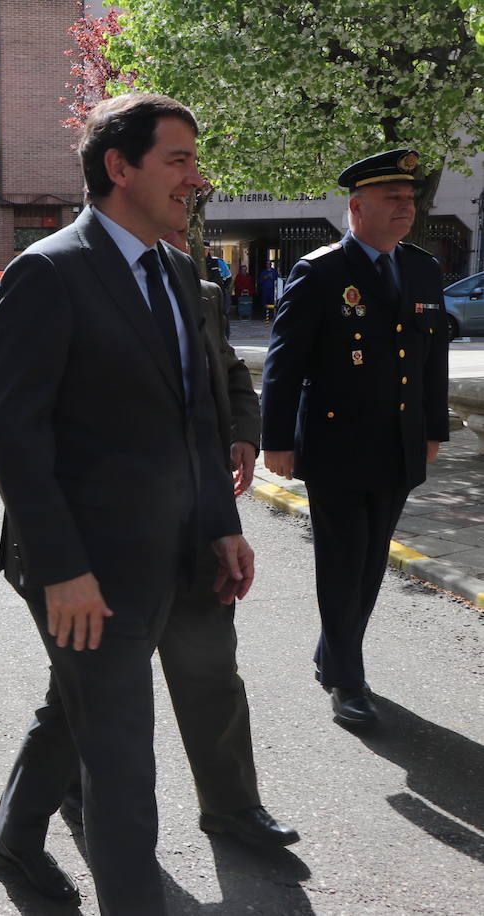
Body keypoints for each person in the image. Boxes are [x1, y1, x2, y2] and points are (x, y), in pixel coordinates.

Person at [0, 93, 254, 914]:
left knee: (75, 713)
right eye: (179, 160)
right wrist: (63, 570)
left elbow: (197, 417)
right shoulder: (47, 272)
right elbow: (15, 437)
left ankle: (14, 835)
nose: (196, 179)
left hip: (176, 551)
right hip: (84, 568)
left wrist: (221, 526)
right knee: (122, 758)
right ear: (119, 167)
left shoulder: (177, 272)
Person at [52, 229, 298, 848]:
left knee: (212, 669)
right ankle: (72, 791)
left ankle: (232, 805)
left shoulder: (199, 289)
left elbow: (227, 374)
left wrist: (244, 432)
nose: (184, 206)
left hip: (196, 519)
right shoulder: (72, 280)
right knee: (93, 684)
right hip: (116, 530)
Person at [262, 149, 449, 727]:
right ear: (357, 206)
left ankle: (333, 652)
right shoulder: (320, 272)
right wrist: (277, 439)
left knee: (370, 563)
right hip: (336, 445)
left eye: (409, 198)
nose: (405, 208)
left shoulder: (421, 269)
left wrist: (433, 429)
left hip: (400, 442)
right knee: (343, 563)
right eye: (392, 198)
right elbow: (284, 363)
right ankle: (347, 680)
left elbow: (432, 360)